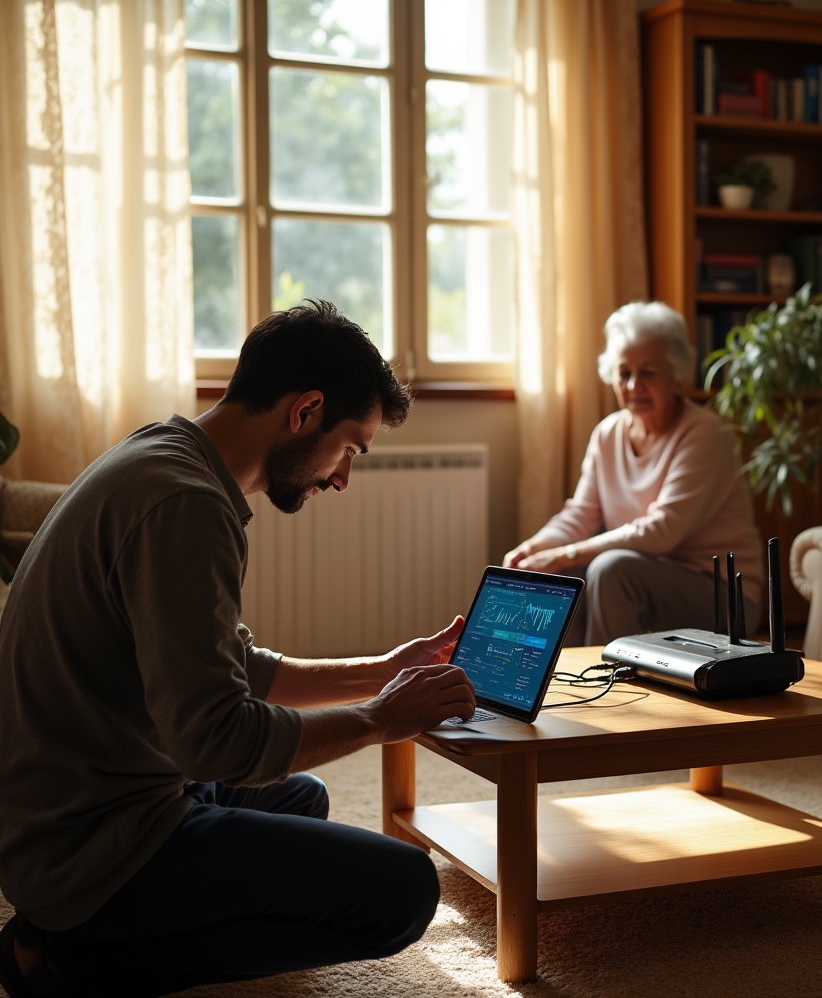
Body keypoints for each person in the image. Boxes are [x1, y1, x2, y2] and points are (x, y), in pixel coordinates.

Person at [0, 300, 476, 998]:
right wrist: (380, 718)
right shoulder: (185, 506)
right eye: (351, 447)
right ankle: (67, 960)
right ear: (306, 410)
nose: (342, 477)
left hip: (77, 808)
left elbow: (232, 665)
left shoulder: (165, 452)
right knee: (403, 891)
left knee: (301, 798)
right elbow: (217, 743)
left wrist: (380, 671)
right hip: (88, 848)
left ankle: (89, 933)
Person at [504, 301, 762, 645]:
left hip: (723, 594)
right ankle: (552, 686)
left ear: (676, 373)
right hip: (646, 577)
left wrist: (565, 554)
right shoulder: (608, 433)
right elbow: (581, 515)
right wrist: (535, 549)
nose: (633, 384)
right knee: (556, 575)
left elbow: (662, 531)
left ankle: (605, 685)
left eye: (648, 373)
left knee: (610, 569)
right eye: (624, 372)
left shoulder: (706, 433)